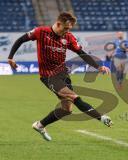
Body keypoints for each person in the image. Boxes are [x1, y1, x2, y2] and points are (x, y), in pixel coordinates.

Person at [8, 12, 113, 141]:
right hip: (48, 76)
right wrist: (10, 57)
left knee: (67, 110)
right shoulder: (41, 32)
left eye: (69, 29)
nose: (67, 31)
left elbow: (81, 53)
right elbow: (21, 40)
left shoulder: (68, 37)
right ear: (58, 24)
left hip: (63, 74)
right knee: (74, 97)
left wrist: (98, 66)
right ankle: (101, 117)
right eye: (66, 28)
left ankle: (39, 125)